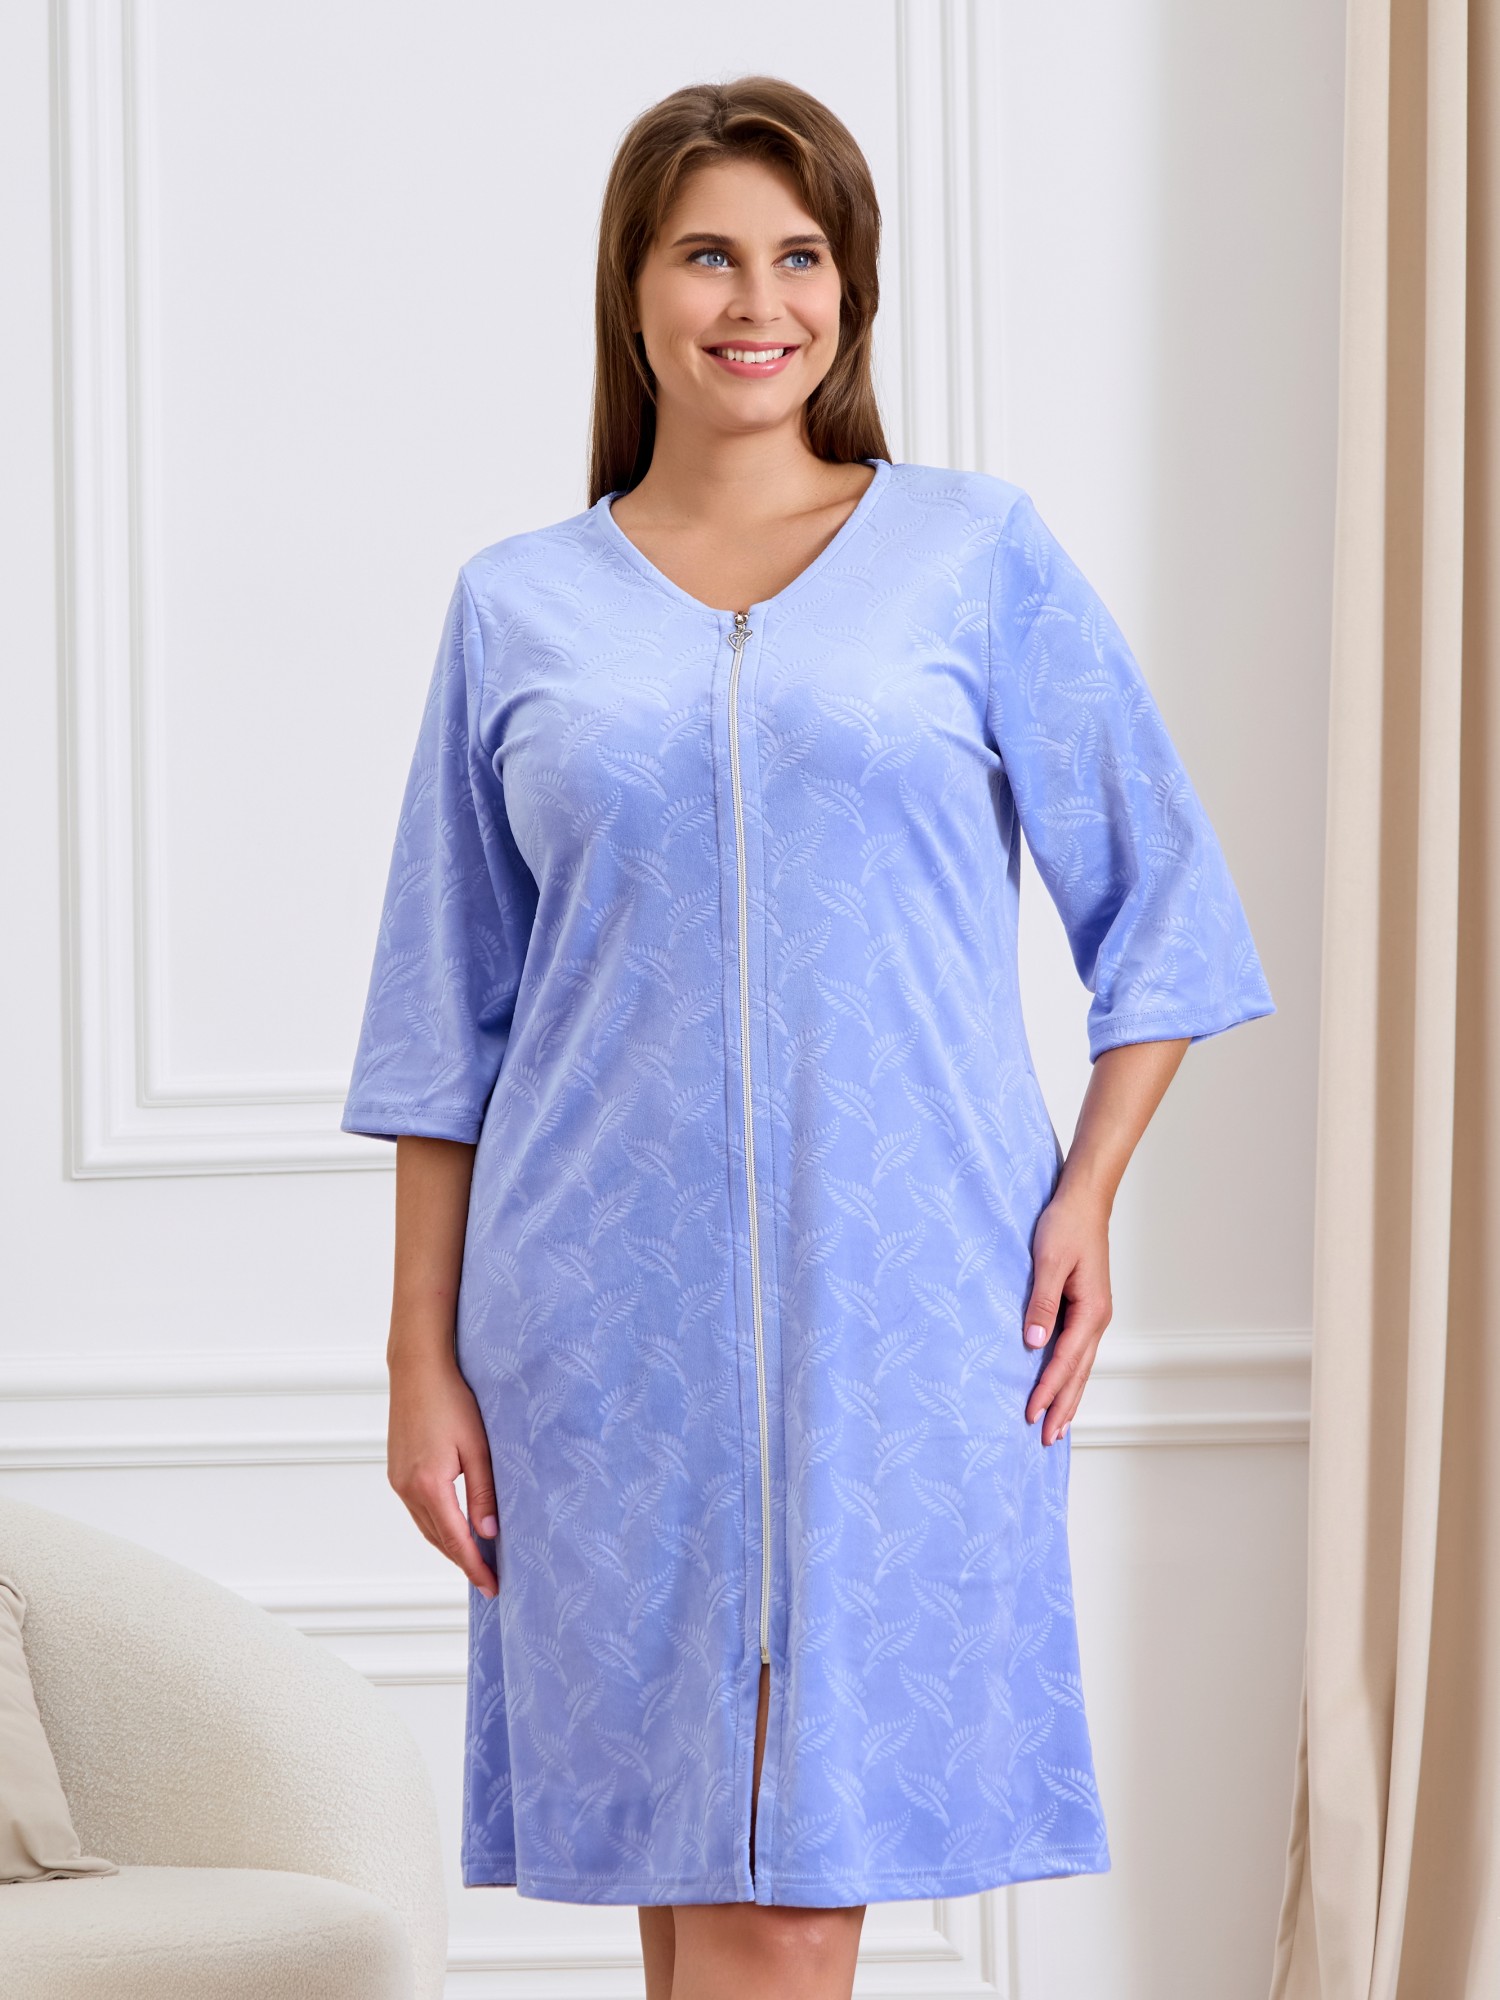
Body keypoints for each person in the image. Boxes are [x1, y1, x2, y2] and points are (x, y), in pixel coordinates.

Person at [341, 74, 1275, 2000]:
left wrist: (1088, 1193)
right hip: (593, 1337)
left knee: (781, 1904)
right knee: (695, 1901)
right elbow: (449, 1016)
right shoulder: (520, 607)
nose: (757, 301)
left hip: (913, 1314)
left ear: (851, 290)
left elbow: (1165, 910)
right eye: (708, 255)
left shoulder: (970, 554)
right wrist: (418, 1353)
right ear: (633, 289)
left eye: (800, 255)